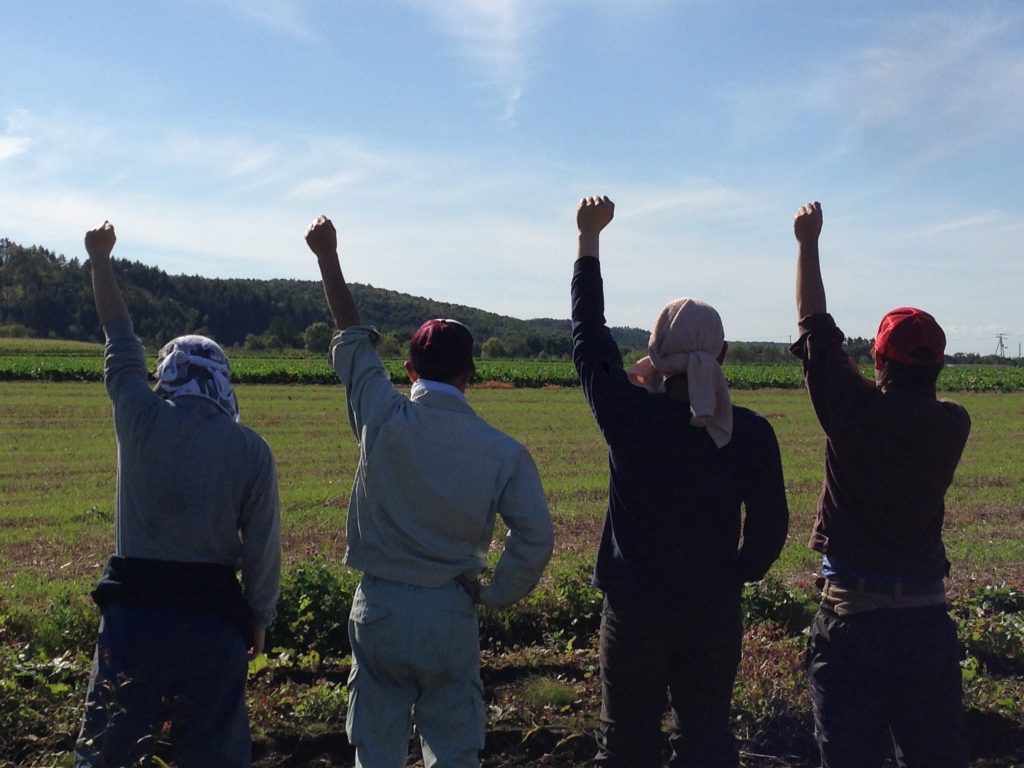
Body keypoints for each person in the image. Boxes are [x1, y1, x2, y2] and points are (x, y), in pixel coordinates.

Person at [304, 214, 554, 768]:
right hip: (450, 609)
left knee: (377, 747)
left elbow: (350, 336)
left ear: (409, 367)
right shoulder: (503, 451)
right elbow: (534, 537)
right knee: (455, 747)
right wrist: (495, 593)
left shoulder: (380, 415)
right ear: (469, 374)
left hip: (381, 609)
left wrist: (327, 256)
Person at [572, 196, 790, 767]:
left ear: (654, 350)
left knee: (625, 743)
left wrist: (588, 241)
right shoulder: (749, 432)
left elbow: (588, 338)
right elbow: (771, 528)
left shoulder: (627, 415)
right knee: (707, 736)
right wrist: (736, 573)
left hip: (635, 606)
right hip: (711, 608)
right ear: (722, 352)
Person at [75, 222, 282, 768]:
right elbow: (262, 551)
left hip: (133, 619)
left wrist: (100, 259)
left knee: (110, 753)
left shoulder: (136, 415)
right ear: (223, 383)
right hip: (212, 626)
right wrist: (258, 618)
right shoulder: (251, 450)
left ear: (164, 375)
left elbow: (118, 335)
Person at [791, 201, 971, 768]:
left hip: (855, 628)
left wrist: (807, 242)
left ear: (877, 360)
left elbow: (815, 328)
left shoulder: (855, 415)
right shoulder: (952, 424)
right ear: (938, 365)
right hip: (927, 629)